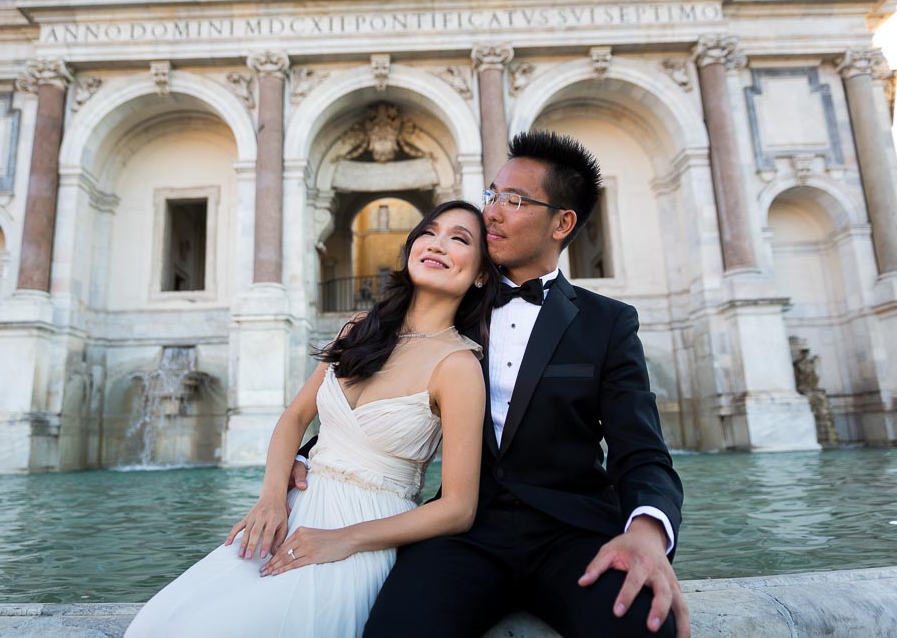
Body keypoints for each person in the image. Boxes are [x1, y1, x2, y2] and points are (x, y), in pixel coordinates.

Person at [292, 131, 688, 637]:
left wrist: (649, 534)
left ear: (562, 223)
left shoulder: (608, 323)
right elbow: (382, 387)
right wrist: (308, 457)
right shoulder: (453, 302)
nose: (493, 212)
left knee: (644, 627)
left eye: (515, 200)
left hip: (575, 536)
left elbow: (643, 452)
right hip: (464, 533)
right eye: (493, 195)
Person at [124, 200, 500, 638]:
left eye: (459, 238)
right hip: (293, 509)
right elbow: (297, 415)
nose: (437, 244)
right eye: (429, 232)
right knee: (160, 621)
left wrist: (345, 539)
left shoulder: (458, 365)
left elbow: (458, 509)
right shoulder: (359, 327)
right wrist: (269, 498)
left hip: (365, 530)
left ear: (480, 274)